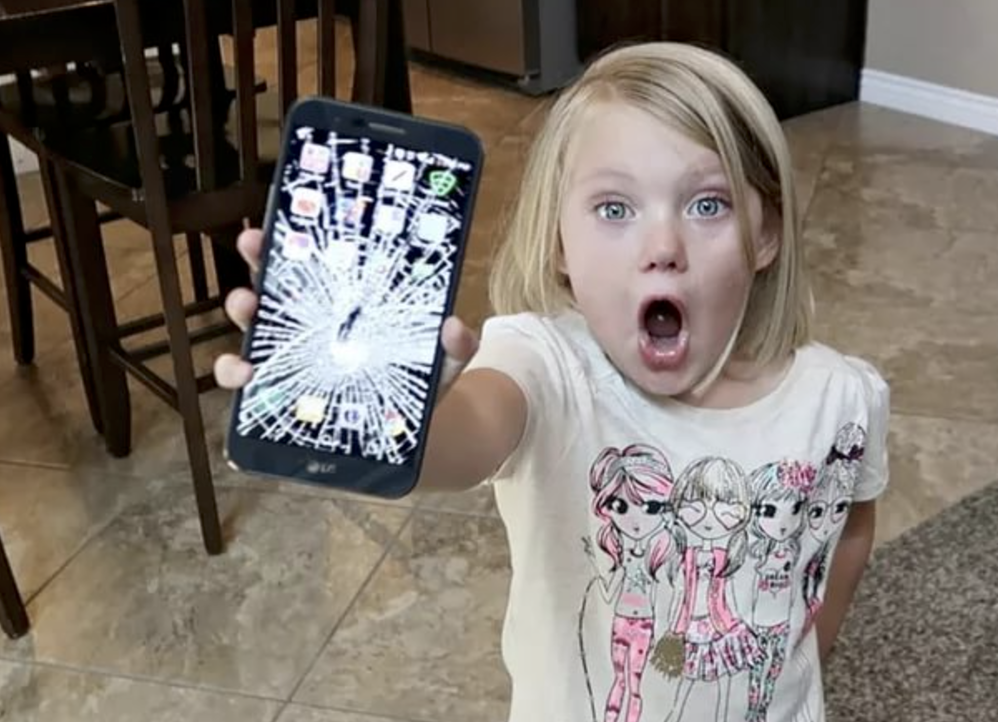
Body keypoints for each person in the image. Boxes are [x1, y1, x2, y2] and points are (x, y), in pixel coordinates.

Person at [215, 41, 890, 722]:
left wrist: (804, 660)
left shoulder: (843, 400)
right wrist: (401, 419)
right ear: (560, 243)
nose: (663, 248)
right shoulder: (542, 364)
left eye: (707, 205)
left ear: (766, 234)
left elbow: (850, 529)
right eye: (615, 209)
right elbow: (465, 436)